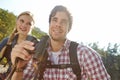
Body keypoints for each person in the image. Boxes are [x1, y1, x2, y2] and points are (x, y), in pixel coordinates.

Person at [10, 5, 111, 80]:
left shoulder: (85, 54)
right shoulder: (36, 52)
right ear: (49, 24)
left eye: (64, 22)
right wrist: (19, 68)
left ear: (69, 28)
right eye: (55, 20)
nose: (58, 24)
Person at [0, 11, 38, 80]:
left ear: (32, 27)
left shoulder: (35, 45)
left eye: (28, 24)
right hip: (7, 75)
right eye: (22, 21)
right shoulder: (8, 41)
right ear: (17, 21)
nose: (24, 25)